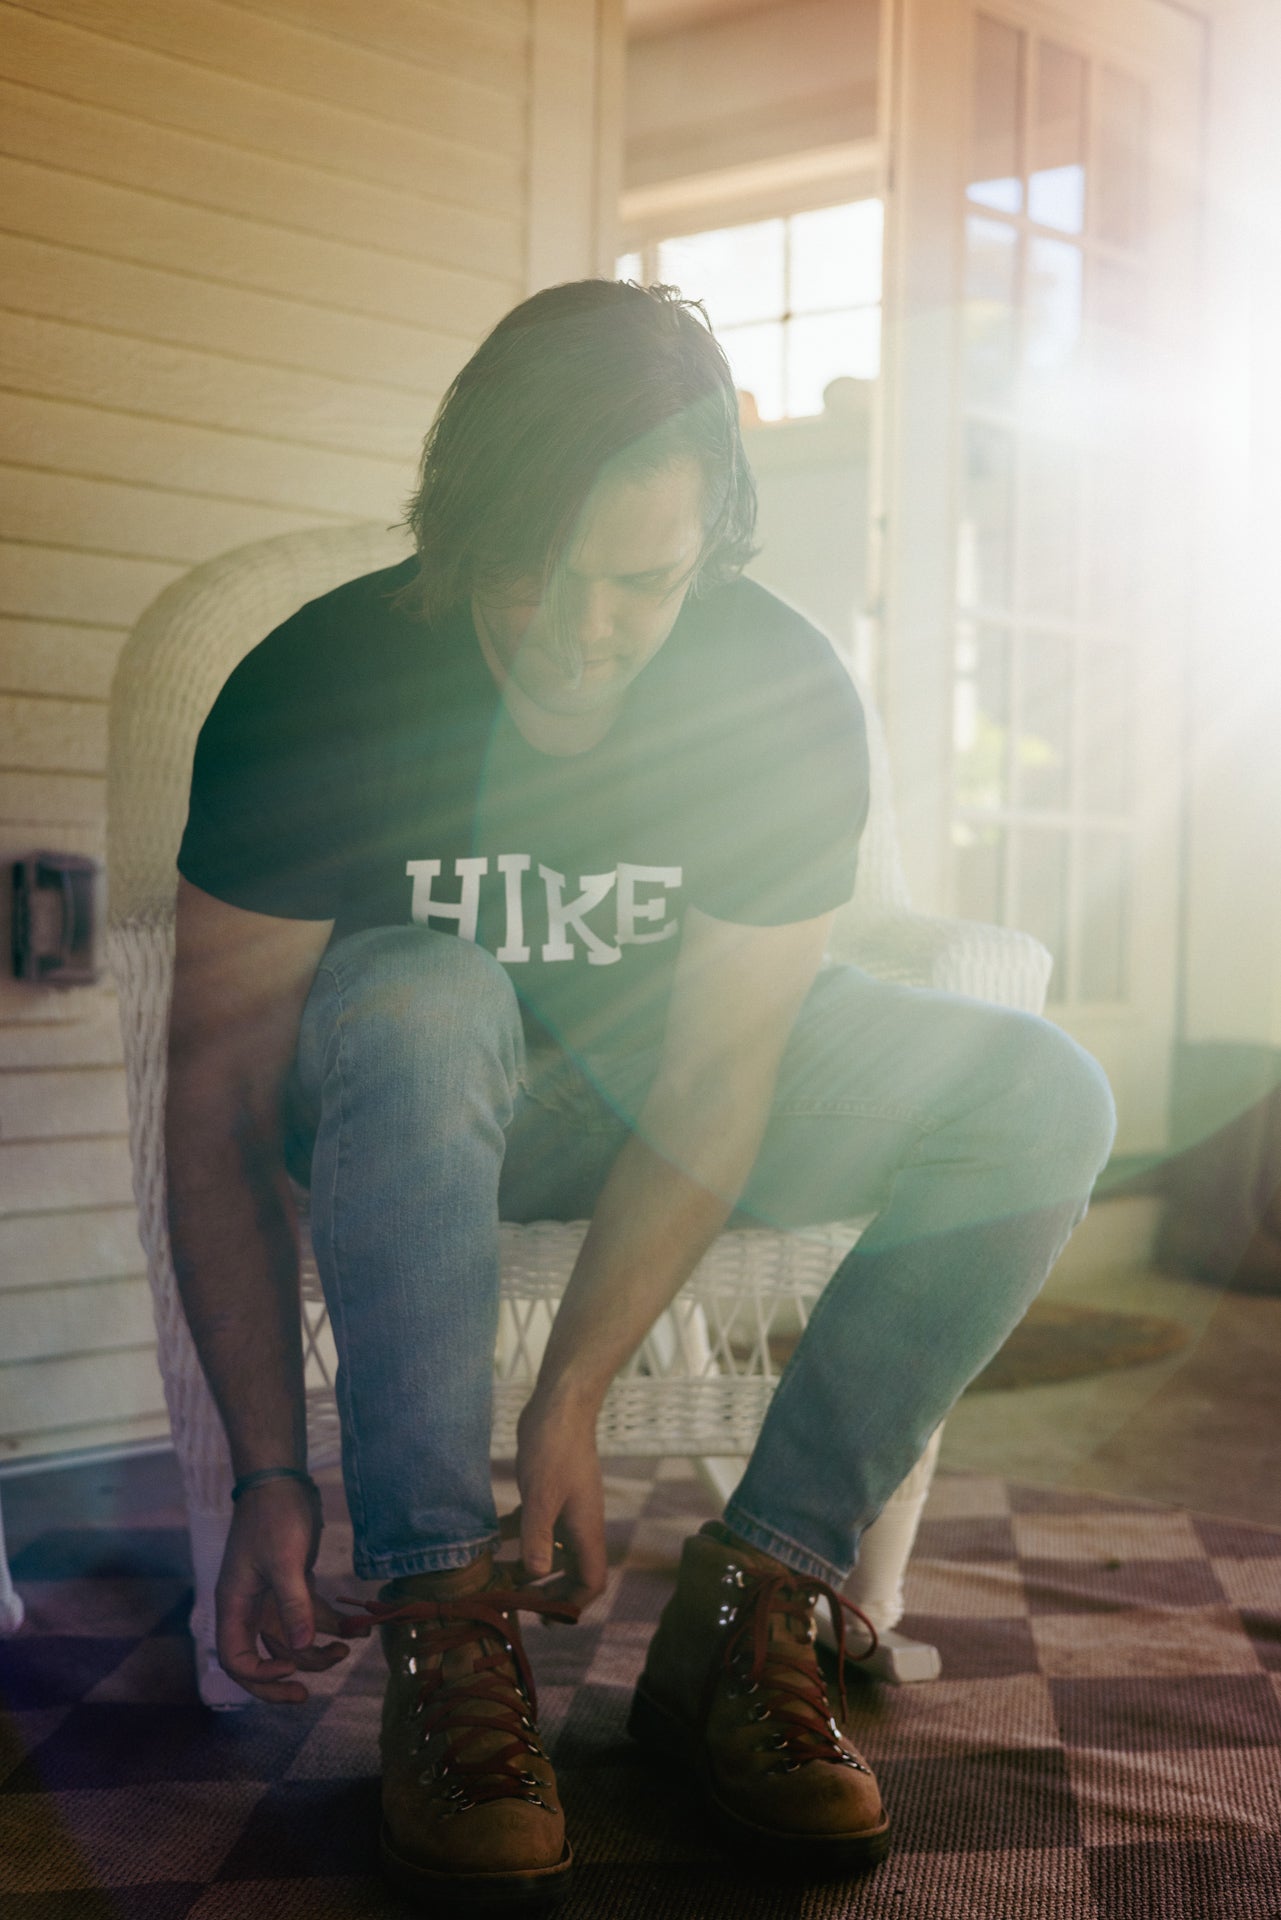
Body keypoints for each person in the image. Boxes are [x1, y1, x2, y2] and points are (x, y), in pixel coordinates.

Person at [166, 278, 1116, 1910]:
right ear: (456, 527)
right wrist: (266, 1470)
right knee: (424, 989)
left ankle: (756, 1601)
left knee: (1040, 1095)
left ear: (712, 554)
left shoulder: (772, 692)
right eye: (530, 571)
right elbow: (215, 1098)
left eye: (643, 584)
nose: (580, 629)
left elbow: (719, 1069)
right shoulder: (314, 686)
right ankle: (440, 1609)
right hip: (404, 1100)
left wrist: (571, 1397)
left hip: (658, 1096)